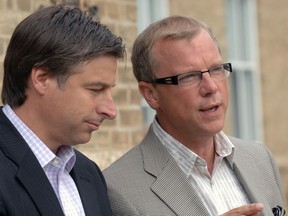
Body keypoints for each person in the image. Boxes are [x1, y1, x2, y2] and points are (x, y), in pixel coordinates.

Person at [103, 16, 285, 216]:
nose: (211, 87)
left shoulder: (260, 159)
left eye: (216, 69)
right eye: (189, 76)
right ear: (151, 94)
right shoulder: (118, 189)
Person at [0, 4, 125, 216]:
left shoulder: (89, 174)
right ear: (42, 79)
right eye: (95, 89)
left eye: (110, 90)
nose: (110, 110)